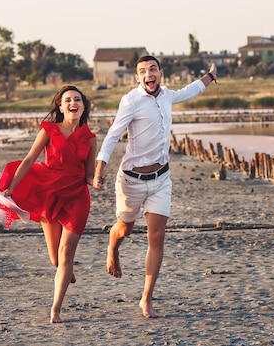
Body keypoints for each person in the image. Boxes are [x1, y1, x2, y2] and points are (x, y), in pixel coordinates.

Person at [93, 55, 218, 318]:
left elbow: (189, 91)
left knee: (157, 237)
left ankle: (146, 297)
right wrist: (100, 167)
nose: (148, 74)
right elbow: (114, 133)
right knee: (125, 228)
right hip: (131, 181)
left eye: (153, 69)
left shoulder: (167, 96)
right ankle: (113, 247)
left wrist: (210, 76)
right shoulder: (131, 100)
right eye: (142, 71)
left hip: (161, 180)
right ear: (137, 78)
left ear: (161, 73)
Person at [0, 85, 97, 324]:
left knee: (66, 253)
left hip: (77, 197)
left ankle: (55, 309)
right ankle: (65, 271)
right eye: (67, 100)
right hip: (49, 193)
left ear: (83, 106)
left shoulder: (90, 137)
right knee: (56, 260)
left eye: (77, 99)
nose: (72, 103)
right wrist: (12, 188)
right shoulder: (49, 129)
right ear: (60, 105)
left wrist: (96, 180)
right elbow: (29, 159)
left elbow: (88, 173)